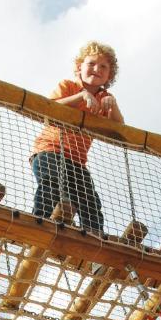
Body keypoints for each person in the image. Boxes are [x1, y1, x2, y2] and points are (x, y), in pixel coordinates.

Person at [30, 41, 123, 235]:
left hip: (77, 161)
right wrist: (81, 96)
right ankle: (39, 223)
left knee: (89, 200)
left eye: (103, 67)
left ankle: (94, 239)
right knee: (52, 183)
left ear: (109, 76)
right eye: (91, 63)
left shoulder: (105, 98)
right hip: (50, 151)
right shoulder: (68, 86)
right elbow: (48, 108)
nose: (97, 69)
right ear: (79, 67)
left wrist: (112, 105)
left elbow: (119, 130)